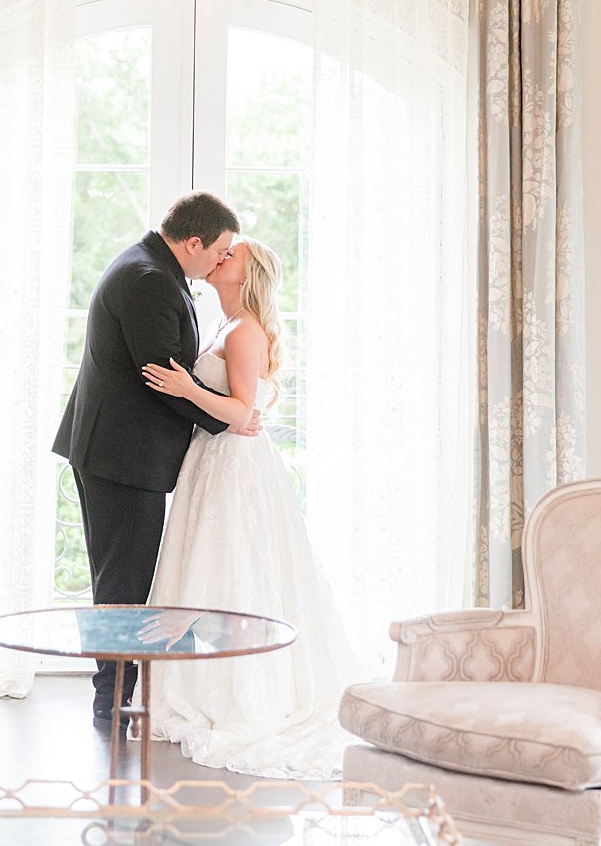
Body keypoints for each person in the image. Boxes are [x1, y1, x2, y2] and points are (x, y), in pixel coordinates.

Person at [139, 237, 361, 779]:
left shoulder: (245, 332)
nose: (220, 258)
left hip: (235, 465)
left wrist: (185, 389)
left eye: (230, 255)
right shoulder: (222, 325)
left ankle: (240, 689)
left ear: (247, 274)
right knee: (206, 565)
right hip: (210, 462)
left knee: (235, 566)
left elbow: (241, 413)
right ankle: (194, 680)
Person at [52, 191, 260, 730]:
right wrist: (230, 420)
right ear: (192, 242)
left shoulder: (151, 268)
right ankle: (111, 698)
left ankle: (115, 690)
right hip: (121, 456)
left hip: (119, 451)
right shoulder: (148, 280)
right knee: (122, 582)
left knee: (122, 576)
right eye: (218, 250)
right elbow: (164, 381)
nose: (220, 259)